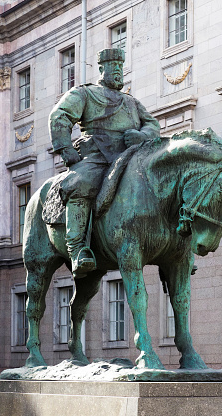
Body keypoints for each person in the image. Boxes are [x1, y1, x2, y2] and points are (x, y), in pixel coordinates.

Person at [49, 48, 160, 277]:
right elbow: (59, 116)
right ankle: (78, 249)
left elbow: (153, 125)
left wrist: (143, 136)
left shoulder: (131, 102)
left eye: (121, 67)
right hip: (97, 157)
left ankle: (174, 246)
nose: (119, 71)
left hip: (131, 156)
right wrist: (66, 150)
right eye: (114, 67)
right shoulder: (86, 94)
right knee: (80, 184)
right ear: (101, 68)